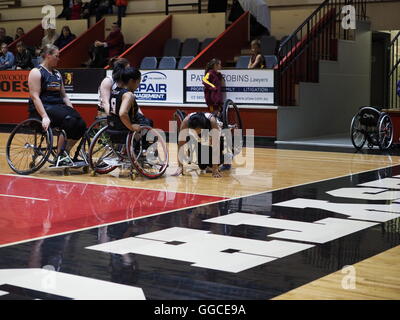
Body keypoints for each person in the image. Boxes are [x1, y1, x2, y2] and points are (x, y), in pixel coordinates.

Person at [27, 44, 87, 166]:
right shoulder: (36, 72)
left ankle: (65, 152)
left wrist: (73, 111)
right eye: (56, 56)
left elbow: (64, 96)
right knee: (69, 120)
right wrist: (44, 116)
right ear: (48, 56)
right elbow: (35, 96)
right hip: (42, 108)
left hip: (57, 107)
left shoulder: (57, 74)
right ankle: (59, 155)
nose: (58, 59)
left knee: (81, 124)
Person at [173, 112, 225, 178]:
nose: (195, 132)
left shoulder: (212, 122)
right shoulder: (186, 122)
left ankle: (229, 153)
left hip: (215, 134)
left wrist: (215, 169)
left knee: (214, 164)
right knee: (202, 166)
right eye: (193, 130)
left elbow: (216, 147)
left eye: (198, 131)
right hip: (202, 140)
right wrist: (180, 166)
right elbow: (180, 145)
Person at [107, 67, 153, 134]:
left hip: (112, 124)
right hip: (123, 126)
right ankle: (144, 143)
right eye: (138, 82)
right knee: (148, 122)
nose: (138, 86)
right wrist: (131, 127)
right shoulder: (128, 95)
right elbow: (122, 113)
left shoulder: (114, 91)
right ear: (132, 81)